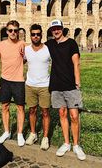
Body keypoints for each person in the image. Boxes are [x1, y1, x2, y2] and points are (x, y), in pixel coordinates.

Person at [45, 19, 86, 160]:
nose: (56, 31)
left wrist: (77, 82)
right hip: (56, 85)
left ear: (62, 29)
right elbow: (35, 48)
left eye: (58, 28)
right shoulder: (49, 44)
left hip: (70, 86)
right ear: (51, 31)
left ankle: (76, 145)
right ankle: (66, 143)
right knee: (62, 114)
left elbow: (76, 63)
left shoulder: (71, 43)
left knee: (74, 116)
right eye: (53, 29)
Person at [0, 20, 25, 147]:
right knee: (4, 106)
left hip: (19, 81)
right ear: (6, 31)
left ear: (18, 32)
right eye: (10, 30)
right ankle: (6, 131)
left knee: (20, 108)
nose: (13, 33)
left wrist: (25, 57)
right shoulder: (0, 45)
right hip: (5, 80)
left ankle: (20, 133)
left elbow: (27, 60)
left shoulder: (23, 44)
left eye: (15, 31)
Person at [24, 24, 51, 150]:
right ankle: (33, 133)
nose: (35, 36)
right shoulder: (26, 49)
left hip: (44, 85)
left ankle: (45, 137)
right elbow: (18, 61)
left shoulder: (48, 49)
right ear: (30, 35)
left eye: (38, 34)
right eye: (33, 34)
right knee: (32, 110)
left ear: (41, 35)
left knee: (45, 112)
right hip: (30, 85)